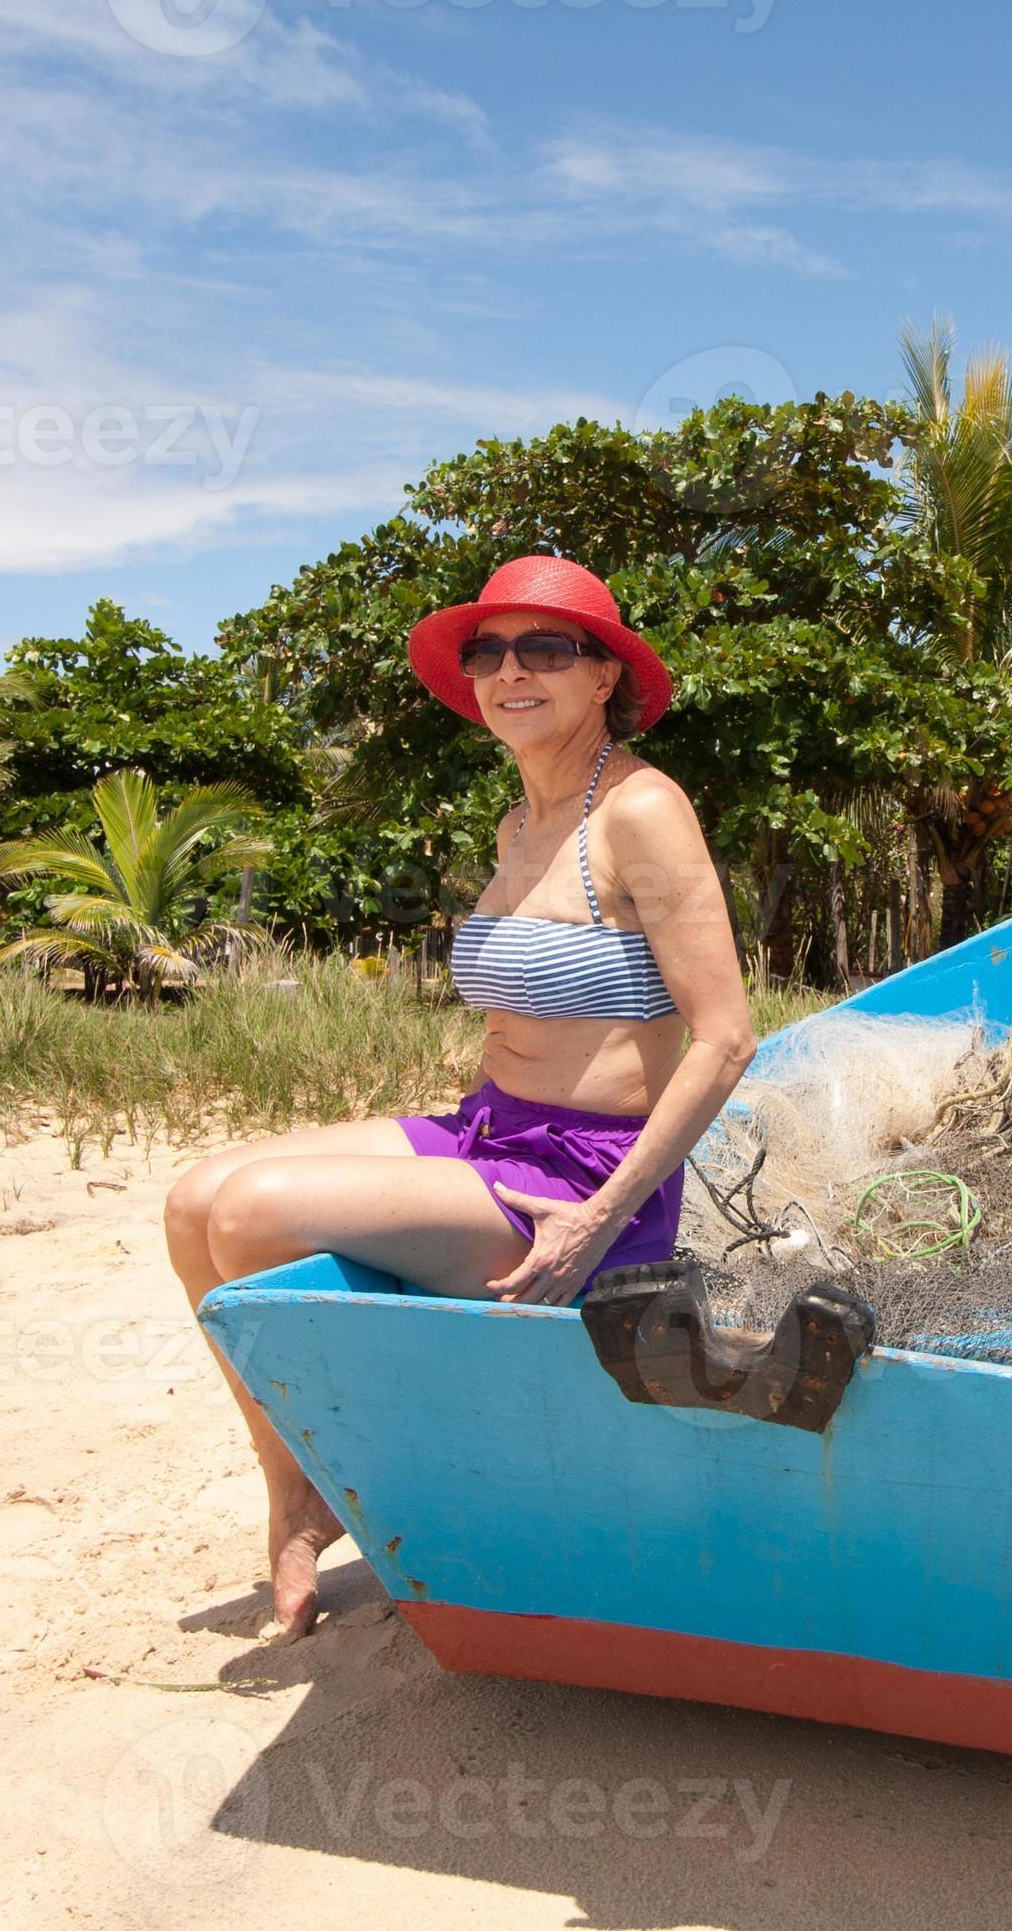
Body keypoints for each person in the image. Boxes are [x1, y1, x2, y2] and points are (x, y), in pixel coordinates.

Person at [163, 554, 756, 1636]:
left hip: (585, 1184)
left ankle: (387, 1470)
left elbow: (726, 1039)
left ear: (603, 679)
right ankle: (293, 1486)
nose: (509, 671)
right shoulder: (517, 824)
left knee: (251, 1215)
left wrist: (598, 1218)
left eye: (546, 649)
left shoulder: (643, 811)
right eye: (489, 651)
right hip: (491, 1131)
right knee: (193, 1199)